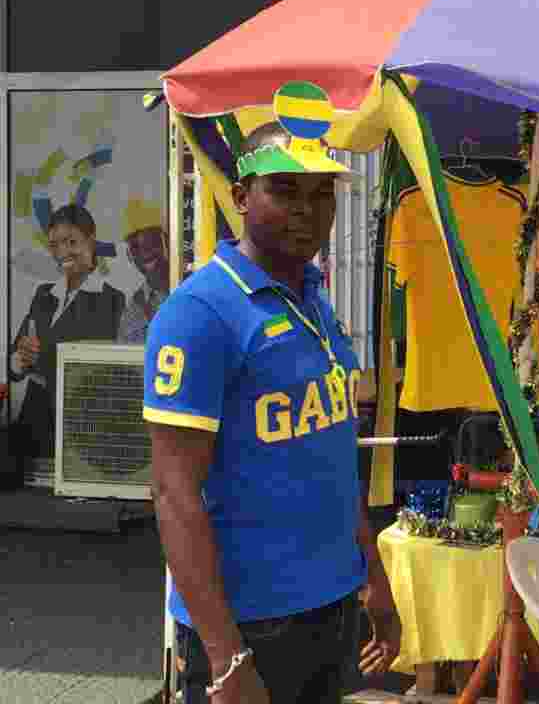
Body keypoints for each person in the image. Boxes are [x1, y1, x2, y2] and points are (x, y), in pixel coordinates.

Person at [144, 122, 400, 704]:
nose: (307, 210)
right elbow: (173, 493)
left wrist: (374, 579)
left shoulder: (314, 300)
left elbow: (334, 459)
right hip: (248, 626)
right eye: (284, 190)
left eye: (321, 192)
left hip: (332, 606)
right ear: (240, 196)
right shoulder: (199, 313)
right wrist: (225, 657)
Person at [9, 204, 125, 467]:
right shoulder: (43, 294)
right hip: (32, 425)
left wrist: (39, 361)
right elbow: (13, 363)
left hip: (77, 428)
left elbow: (96, 370)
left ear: (91, 241)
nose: (62, 252)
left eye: (71, 242)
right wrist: (20, 359)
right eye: (54, 245)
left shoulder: (111, 300)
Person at [117, 198, 170, 343]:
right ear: (130, 256)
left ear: (167, 242)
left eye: (151, 241)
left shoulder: (190, 292)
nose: (145, 253)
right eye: (136, 247)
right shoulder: (133, 309)